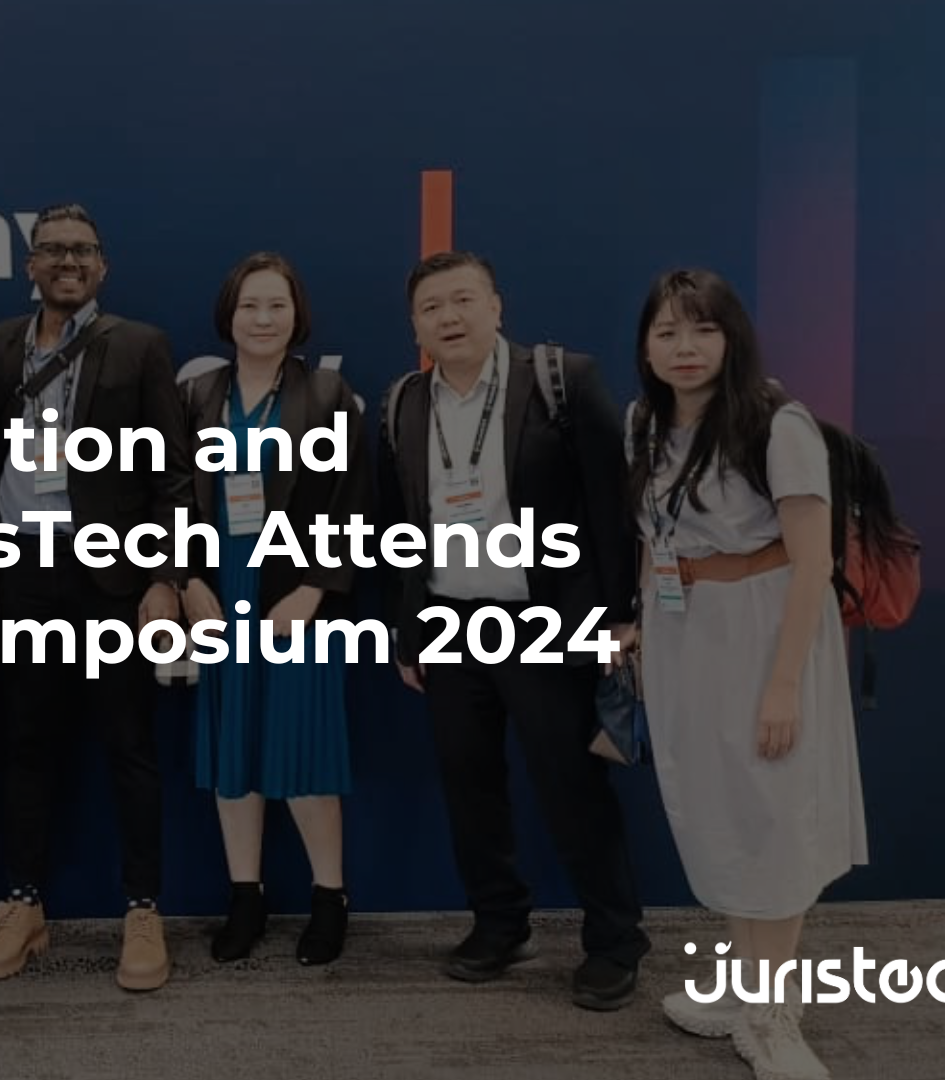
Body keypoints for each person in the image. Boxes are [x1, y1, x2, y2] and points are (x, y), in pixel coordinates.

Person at [377, 250, 650, 1010]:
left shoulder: (563, 380)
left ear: (497, 306)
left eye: (464, 300)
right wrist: (410, 630)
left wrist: (621, 617)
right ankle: (500, 924)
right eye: (432, 308)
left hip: (546, 623)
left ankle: (615, 939)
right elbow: (401, 526)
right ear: (415, 325)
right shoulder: (402, 400)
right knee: (470, 786)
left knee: (571, 785)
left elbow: (609, 505)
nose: (450, 318)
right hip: (450, 625)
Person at [623, 268, 868, 1079]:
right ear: (647, 348)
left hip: (765, 631)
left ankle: (773, 1018)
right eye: (666, 333)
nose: (684, 348)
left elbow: (812, 565)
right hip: (683, 632)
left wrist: (784, 683)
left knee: (775, 816)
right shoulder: (642, 424)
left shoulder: (776, 424)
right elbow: (653, 539)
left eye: (701, 329)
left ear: (732, 336)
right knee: (720, 811)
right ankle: (743, 988)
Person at [0, 203, 193, 991]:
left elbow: (172, 471)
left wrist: (163, 580)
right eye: (52, 250)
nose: (68, 260)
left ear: (103, 266)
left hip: (112, 578)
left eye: (83, 250)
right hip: (21, 571)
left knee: (128, 746)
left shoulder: (139, 345)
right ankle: (24, 906)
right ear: (30, 265)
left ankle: (141, 908)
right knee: (27, 744)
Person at [176, 252, 368, 965]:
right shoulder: (198, 395)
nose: (262, 318)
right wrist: (188, 580)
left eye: (276, 306)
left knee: (304, 754)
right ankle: (245, 896)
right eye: (250, 305)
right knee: (236, 758)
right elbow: (170, 498)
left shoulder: (325, 392)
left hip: (295, 600)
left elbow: (353, 504)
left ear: (298, 316)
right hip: (218, 598)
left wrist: (315, 591)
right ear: (228, 313)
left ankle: (329, 896)